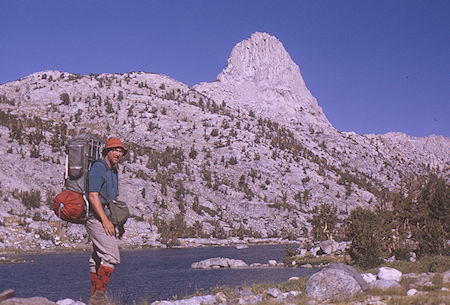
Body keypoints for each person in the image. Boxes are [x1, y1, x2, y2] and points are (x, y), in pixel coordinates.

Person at [86, 138, 127, 305]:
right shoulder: (98, 168)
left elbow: (112, 200)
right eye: (114, 150)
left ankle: (95, 297)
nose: (118, 153)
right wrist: (105, 221)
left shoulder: (114, 170)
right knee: (111, 256)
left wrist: (119, 224)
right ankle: (98, 297)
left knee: (97, 258)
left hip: (106, 218)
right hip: (95, 218)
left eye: (120, 151)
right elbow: (93, 196)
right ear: (107, 151)